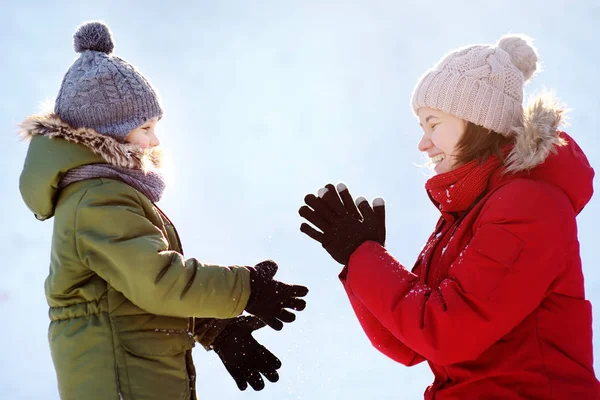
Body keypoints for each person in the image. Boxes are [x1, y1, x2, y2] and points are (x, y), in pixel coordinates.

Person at [19, 21, 308, 400]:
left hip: (138, 373)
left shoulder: (108, 191)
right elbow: (154, 279)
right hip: (120, 381)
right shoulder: (98, 198)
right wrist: (244, 288)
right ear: (107, 132)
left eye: (156, 126)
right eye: (144, 127)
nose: (154, 139)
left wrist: (214, 327)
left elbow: (128, 290)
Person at [299, 34, 599, 399]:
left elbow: (445, 332)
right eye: (422, 128)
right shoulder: (465, 215)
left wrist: (365, 256)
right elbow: (408, 346)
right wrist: (360, 257)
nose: (423, 143)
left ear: (478, 121)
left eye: (433, 123)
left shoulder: (529, 205)